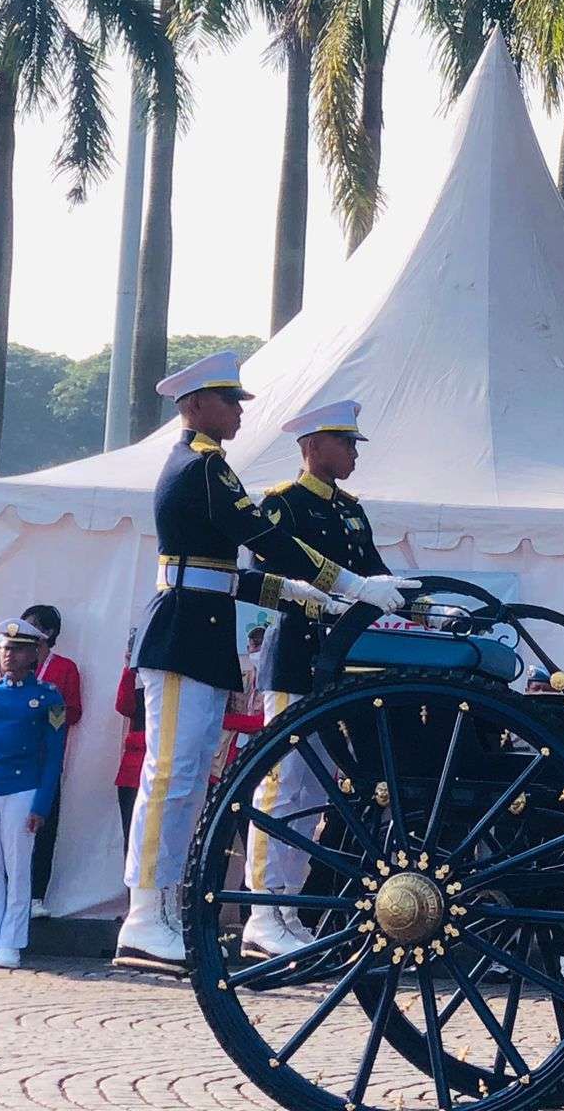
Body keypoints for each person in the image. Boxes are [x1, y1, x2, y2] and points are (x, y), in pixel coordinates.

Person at [116, 353, 419, 975]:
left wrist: (300, 593)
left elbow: (226, 578)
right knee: (171, 774)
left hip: (198, 632)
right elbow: (266, 542)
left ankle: (166, 911)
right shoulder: (202, 467)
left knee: (188, 777)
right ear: (197, 403)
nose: (238, 411)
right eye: (229, 401)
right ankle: (146, 916)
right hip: (180, 632)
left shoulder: (210, 467)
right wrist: (348, 584)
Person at [241, 400, 396, 959]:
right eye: (345, 441)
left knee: (318, 792)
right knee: (283, 787)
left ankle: (288, 910)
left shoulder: (352, 510)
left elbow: (374, 572)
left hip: (341, 663)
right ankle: (263, 908)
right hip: (296, 659)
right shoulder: (282, 506)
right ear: (312, 444)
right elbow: (264, 574)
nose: (354, 452)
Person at [0, 618, 67, 969]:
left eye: (17, 649)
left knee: (18, 869)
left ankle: (12, 943)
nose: (8, 655)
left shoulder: (48, 697)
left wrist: (42, 804)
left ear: (33, 653)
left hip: (23, 789)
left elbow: (54, 755)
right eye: (4, 648)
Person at [19, 605, 80, 919]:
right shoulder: (16, 666)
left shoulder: (65, 668)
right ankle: (9, 896)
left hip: (46, 763)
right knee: (9, 830)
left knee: (44, 826)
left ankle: (36, 897)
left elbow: (74, 711)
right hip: (14, 761)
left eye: (31, 626)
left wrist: (46, 714)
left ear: (49, 632)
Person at [114, 631, 145, 849]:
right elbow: (123, 706)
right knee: (131, 838)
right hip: (132, 776)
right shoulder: (142, 695)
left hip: (160, 776)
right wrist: (129, 669)